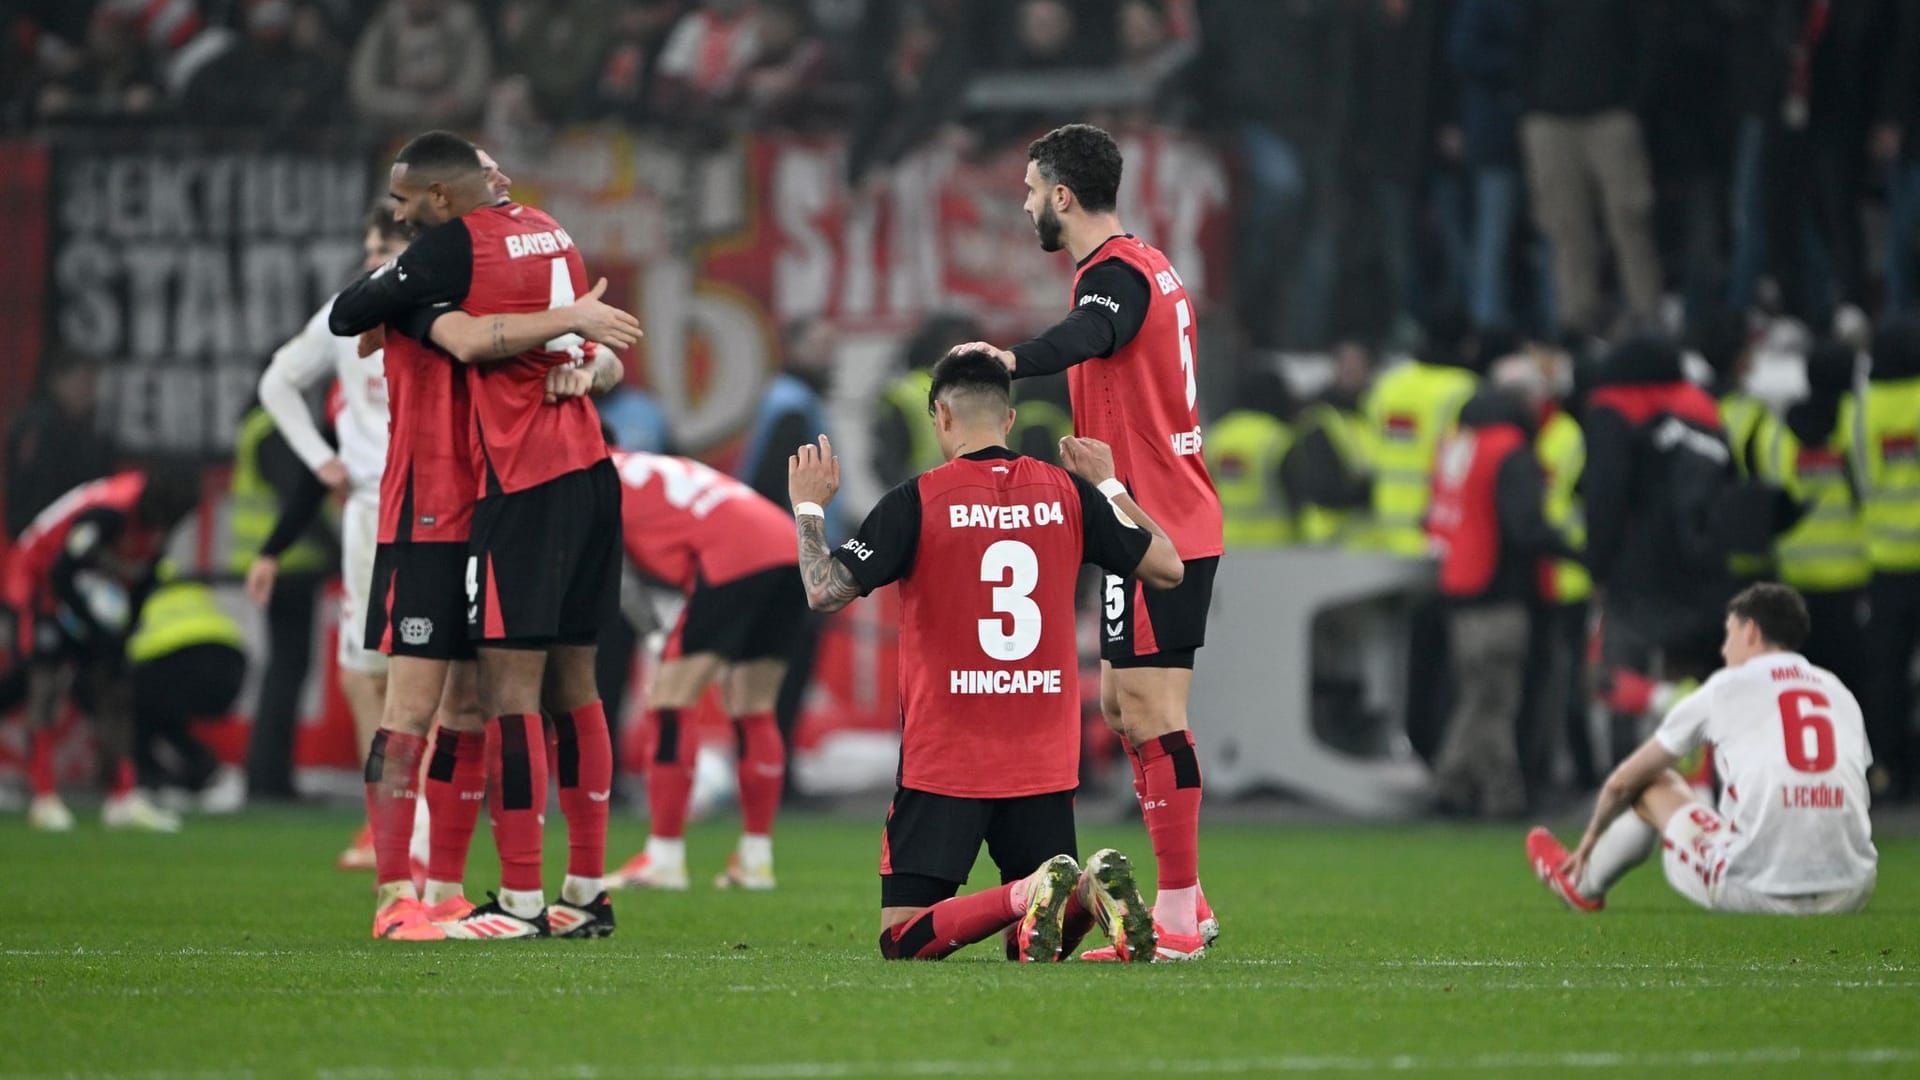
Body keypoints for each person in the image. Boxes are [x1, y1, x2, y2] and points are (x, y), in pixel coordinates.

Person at [329, 130, 642, 942]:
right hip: (424, 511)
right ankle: (396, 892)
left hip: (497, 506)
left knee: (474, 704)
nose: (389, 232)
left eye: (395, 220)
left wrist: (585, 355)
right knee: (415, 705)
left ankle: (448, 887)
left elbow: (587, 354)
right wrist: (569, 325)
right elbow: (362, 324)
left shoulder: (481, 266)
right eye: (378, 232)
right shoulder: (416, 295)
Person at [789, 347, 1184, 962]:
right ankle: (1079, 888)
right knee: (1032, 951)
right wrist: (1108, 484)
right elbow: (1168, 565)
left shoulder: (916, 501)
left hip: (948, 757)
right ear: (1008, 417)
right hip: (1045, 758)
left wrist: (809, 507)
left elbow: (823, 590)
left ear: (941, 417)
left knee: (902, 940)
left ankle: (1024, 892)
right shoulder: (1069, 494)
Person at [963, 123, 1225, 959]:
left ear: (1063, 196)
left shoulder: (1114, 277)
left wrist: (1008, 357)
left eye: (1033, 190)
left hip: (1159, 524)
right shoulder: (1140, 265)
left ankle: (1180, 914)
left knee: (1152, 709)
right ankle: (1190, 902)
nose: (1028, 204)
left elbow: (1089, 335)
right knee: (1121, 706)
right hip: (1135, 513)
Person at [1527, 583, 1877, 915]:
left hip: (1759, 890)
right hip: (1852, 889)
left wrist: (1589, 838)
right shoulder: (1839, 692)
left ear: (1751, 631)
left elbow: (1622, 781)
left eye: (1730, 634)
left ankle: (1579, 882)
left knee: (1651, 783)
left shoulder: (1727, 686)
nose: (1725, 649)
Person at [248, 203, 411, 866]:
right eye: (370, 247)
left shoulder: (449, 310)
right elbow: (278, 382)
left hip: (443, 509)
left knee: (434, 676)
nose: (374, 259)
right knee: (364, 673)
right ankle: (391, 820)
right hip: (372, 511)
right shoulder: (348, 314)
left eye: (388, 247)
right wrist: (322, 463)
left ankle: (422, 820)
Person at [602, 450, 807, 892]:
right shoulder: (648, 463)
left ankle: (664, 859)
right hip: (789, 549)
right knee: (755, 707)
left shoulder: (592, 475)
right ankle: (755, 861)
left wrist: (655, 634)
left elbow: (615, 573)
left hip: (734, 553)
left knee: (671, 700)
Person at [3, 465, 201, 832]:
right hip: (37, 579)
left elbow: (144, 579)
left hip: (84, 592)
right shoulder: (110, 512)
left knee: (115, 686)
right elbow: (62, 570)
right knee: (42, 682)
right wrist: (94, 629)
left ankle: (123, 797)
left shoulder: (160, 520)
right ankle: (44, 798)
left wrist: (122, 634)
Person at [1426, 366, 1577, 818]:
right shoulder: (1510, 452)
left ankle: (1461, 785)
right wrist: (1577, 552)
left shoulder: (1458, 444)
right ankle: (1487, 792)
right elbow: (1525, 527)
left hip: (1458, 588)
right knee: (1495, 699)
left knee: (1478, 694)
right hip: (1499, 593)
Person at [1582, 337, 1736, 764]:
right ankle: (1701, 778)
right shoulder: (1702, 409)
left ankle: (1627, 777)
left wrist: (1598, 565)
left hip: (1638, 572)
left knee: (1618, 680)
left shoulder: (1614, 408)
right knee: (1695, 677)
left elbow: (1605, 496)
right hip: (1706, 571)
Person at [1852, 317, 1920, 799]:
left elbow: (1859, 481)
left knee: (1887, 672)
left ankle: (1887, 767)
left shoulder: (1860, 411)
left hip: (1883, 559)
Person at [126, 571, 248, 811]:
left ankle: (152, 779)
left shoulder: (121, 575)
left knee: (126, 705)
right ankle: (201, 774)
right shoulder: (167, 567)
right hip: (229, 660)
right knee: (163, 714)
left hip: (167, 657)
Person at [5, 351, 115, 540]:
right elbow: (31, 488)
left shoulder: (86, 429)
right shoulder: (39, 426)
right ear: (59, 381)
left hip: (71, 532)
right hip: (41, 535)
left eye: (93, 383)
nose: (90, 391)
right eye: (84, 381)